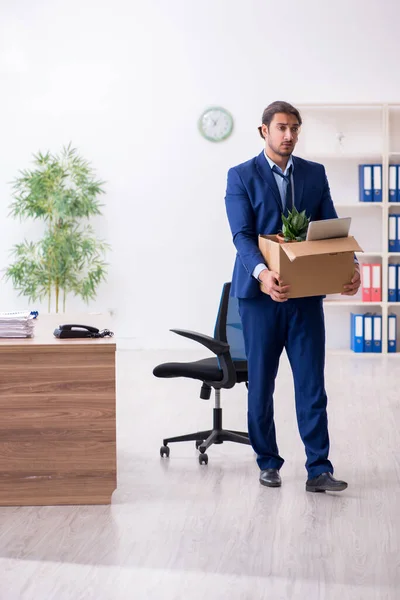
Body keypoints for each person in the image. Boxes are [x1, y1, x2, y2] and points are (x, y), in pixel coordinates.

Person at [224, 100, 361, 492]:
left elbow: (333, 229)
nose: (289, 136)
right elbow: (242, 236)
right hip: (260, 297)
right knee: (261, 385)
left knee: (311, 385)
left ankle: (319, 469)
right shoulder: (241, 176)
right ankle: (268, 461)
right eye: (282, 128)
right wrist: (264, 274)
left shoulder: (314, 174)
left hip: (303, 297)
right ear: (263, 131)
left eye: (295, 129)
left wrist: (348, 267)